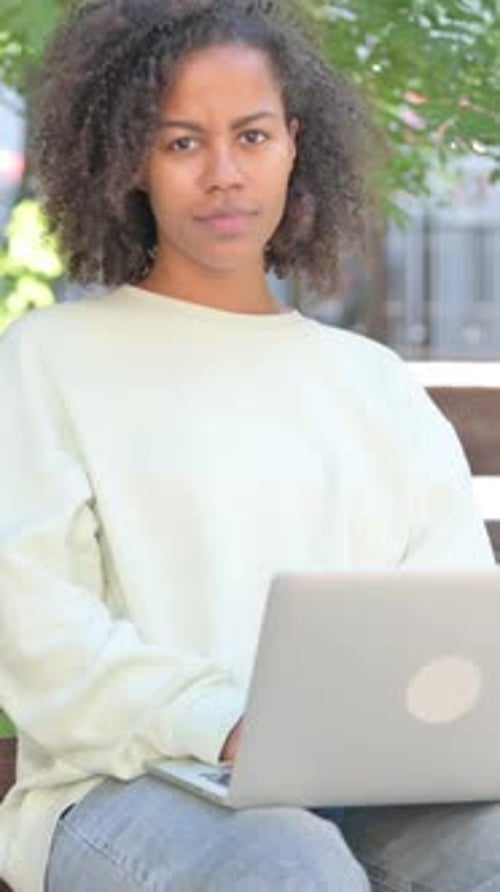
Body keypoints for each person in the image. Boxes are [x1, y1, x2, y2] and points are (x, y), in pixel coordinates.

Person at [0, 1, 496, 890]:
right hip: (125, 788)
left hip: (374, 783)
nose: (224, 173)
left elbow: (453, 621)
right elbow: (36, 629)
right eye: (182, 142)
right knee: (283, 860)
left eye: (253, 136)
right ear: (132, 160)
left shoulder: (374, 383)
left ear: (293, 145)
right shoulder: (47, 360)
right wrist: (227, 724)